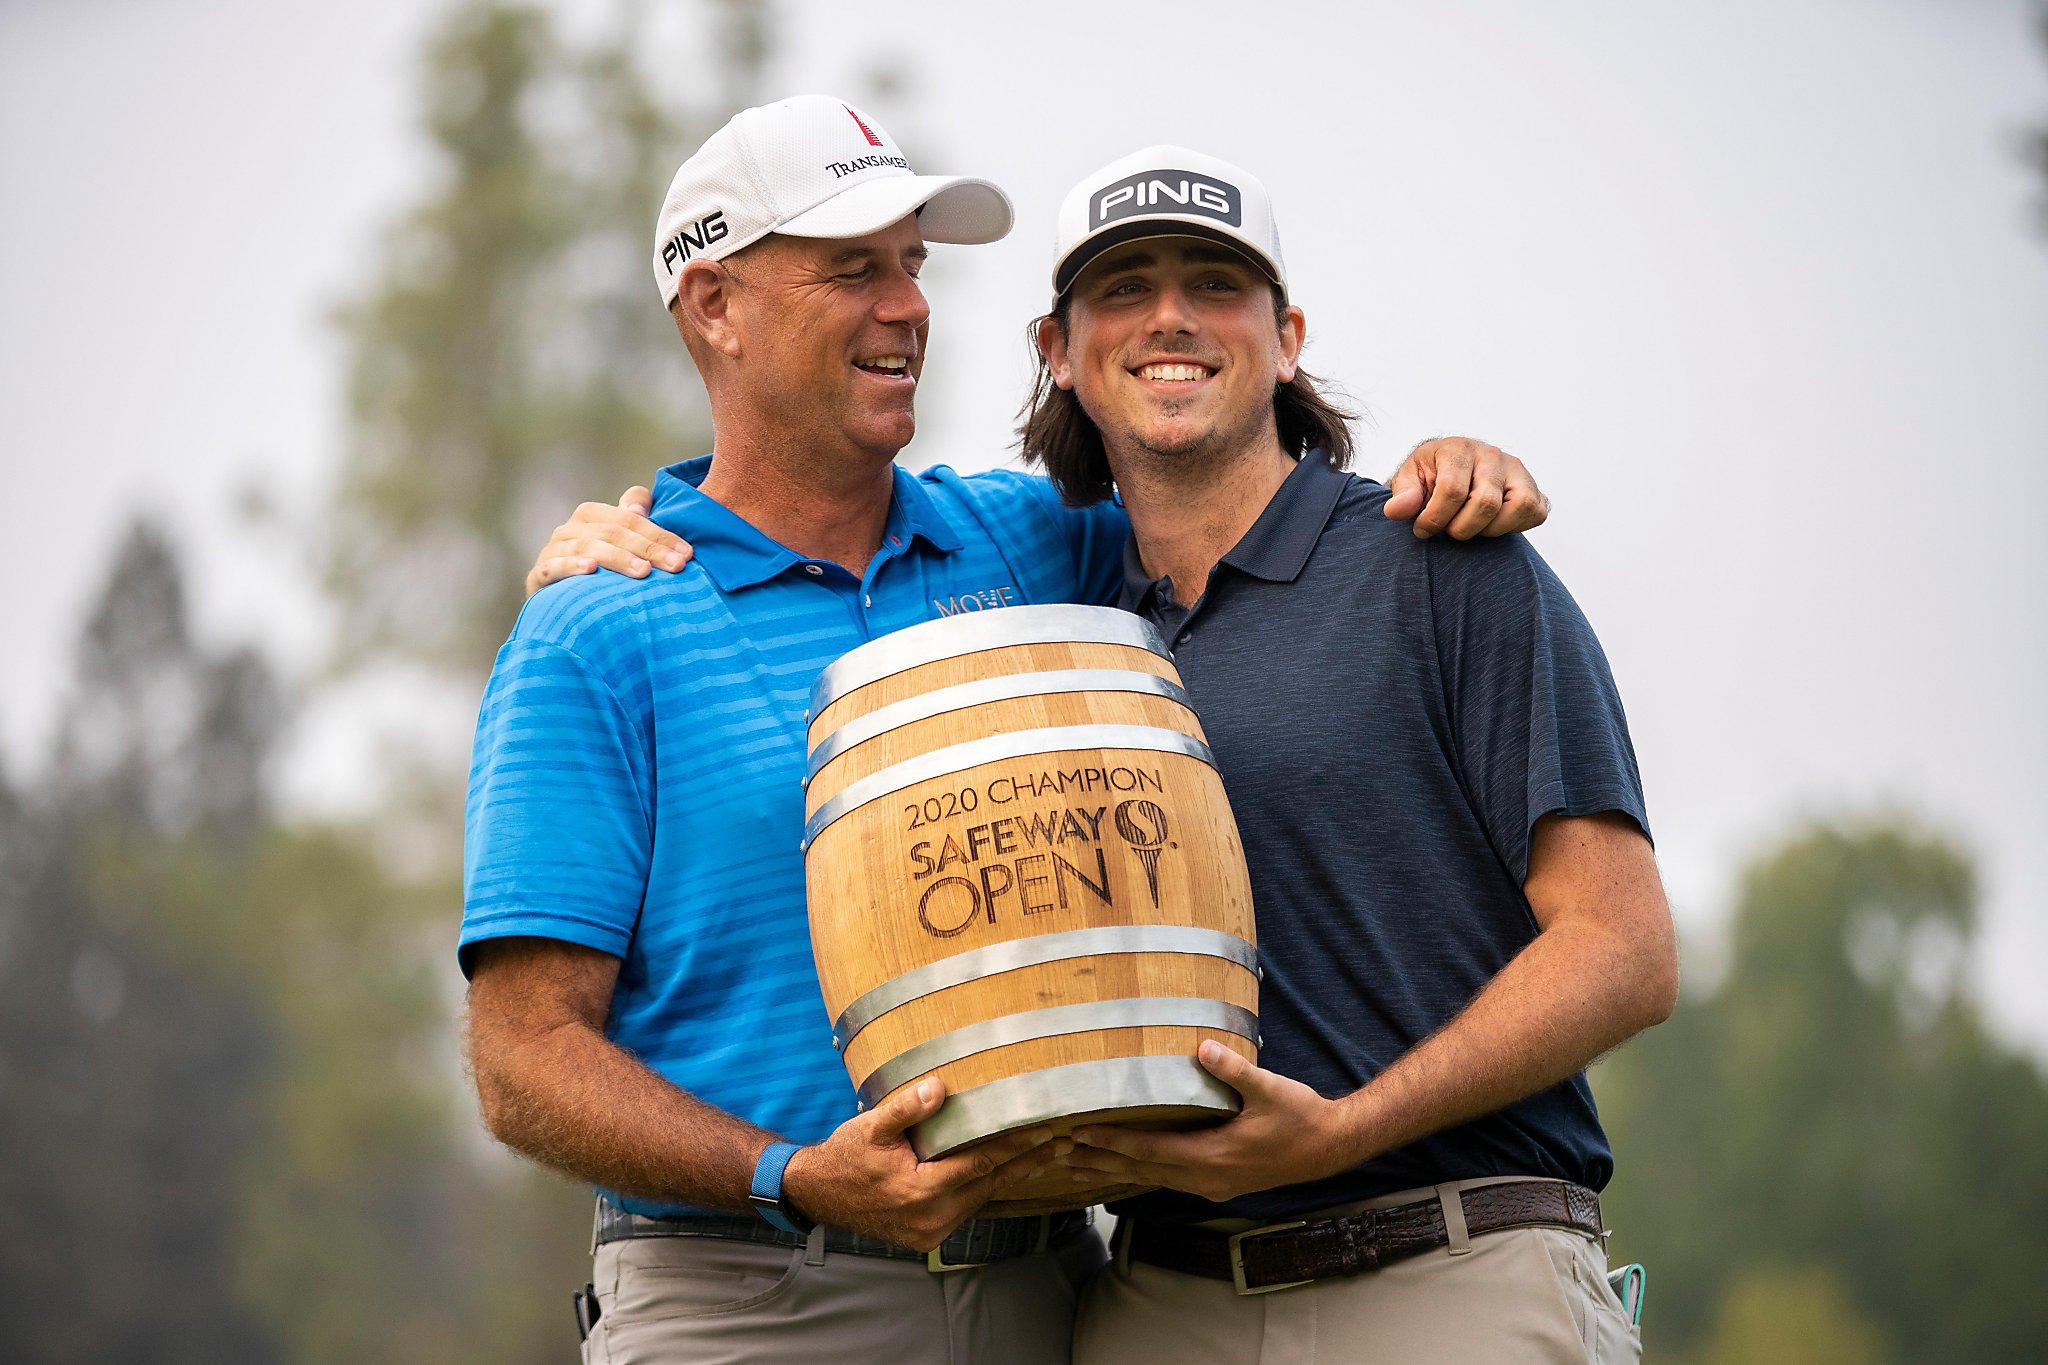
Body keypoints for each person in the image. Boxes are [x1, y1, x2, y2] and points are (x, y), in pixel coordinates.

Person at [468, 98, 1544, 1365]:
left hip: (1054, 1301)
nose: (907, 306)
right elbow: (523, 1061)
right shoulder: (598, 632)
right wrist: (791, 1174)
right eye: (851, 267)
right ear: (715, 307)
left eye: (913, 267)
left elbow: (1232, 499)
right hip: (750, 1302)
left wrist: (1443, 465)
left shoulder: (1030, 544)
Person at [1013, 147, 1673, 1363]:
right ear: (1058, 348)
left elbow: (1621, 951)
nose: (1169, 315)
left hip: (1451, 1271)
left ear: (1286, 337)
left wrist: (1345, 1130)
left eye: (1215, 283)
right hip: (1152, 1304)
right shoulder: (1063, 625)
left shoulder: (1443, 562)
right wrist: (634, 521)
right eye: (1124, 288)